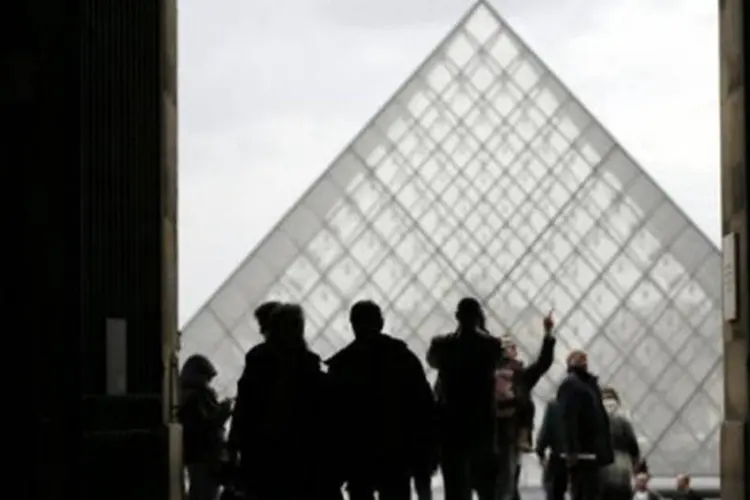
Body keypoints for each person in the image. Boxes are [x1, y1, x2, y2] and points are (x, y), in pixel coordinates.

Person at [327, 300, 437, 500]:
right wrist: (426, 450)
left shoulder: (342, 364)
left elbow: (332, 417)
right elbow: (423, 407)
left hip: (357, 453)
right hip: (396, 450)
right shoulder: (403, 357)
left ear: (352, 324)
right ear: (381, 322)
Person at [228, 303, 336, 500]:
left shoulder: (258, 361)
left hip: (265, 456)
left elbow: (244, 409)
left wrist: (234, 447)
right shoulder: (311, 367)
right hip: (305, 459)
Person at [427, 297, 506, 500]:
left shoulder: (442, 345)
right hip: (482, 427)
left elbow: (432, 361)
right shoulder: (491, 345)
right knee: (487, 490)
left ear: (457, 316)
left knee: (454, 490)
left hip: (452, 428)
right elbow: (498, 359)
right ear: (478, 317)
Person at [498, 313, 556, 500]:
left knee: (509, 477)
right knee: (508, 477)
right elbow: (542, 364)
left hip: (510, 433)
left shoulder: (520, 375)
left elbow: (543, 363)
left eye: (512, 346)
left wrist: (548, 335)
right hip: (506, 434)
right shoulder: (503, 376)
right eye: (508, 347)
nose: (512, 349)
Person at [556, 350, 613, 500]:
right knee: (584, 492)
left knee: (592, 492)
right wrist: (572, 450)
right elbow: (568, 419)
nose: (584, 360)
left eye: (584, 358)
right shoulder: (572, 384)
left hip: (592, 452)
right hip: (583, 453)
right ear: (570, 363)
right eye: (579, 358)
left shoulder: (588, 384)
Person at [179, 355, 233, 500]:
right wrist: (224, 411)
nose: (208, 384)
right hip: (205, 457)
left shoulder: (186, 396)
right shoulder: (197, 397)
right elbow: (207, 424)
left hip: (198, 457)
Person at [599, 387, 641, 500]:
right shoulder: (624, 423)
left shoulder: (595, 422)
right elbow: (634, 450)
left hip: (608, 474)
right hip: (619, 472)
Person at [535, 400, 566, 500]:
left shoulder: (555, 406)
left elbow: (546, 431)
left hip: (559, 456)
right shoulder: (592, 402)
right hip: (585, 458)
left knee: (554, 491)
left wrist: (540, 450)